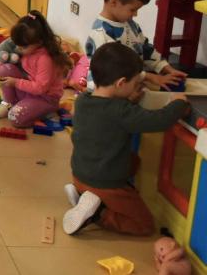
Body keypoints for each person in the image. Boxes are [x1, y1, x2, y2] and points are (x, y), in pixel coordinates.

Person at [62, 42, 189, 236]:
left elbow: (106, 118)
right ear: (121, 83)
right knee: (145, 225)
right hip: (105, 183)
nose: (137, 87)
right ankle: (98, 213)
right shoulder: (122, 111)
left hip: (79, 173)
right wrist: (178, 103)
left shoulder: (82, 101)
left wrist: (129, 100)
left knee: (134, 160)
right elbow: (158, 121)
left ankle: (82, 196)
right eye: (135, 83)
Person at [85, 0, 187, 91]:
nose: (135, 14)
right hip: (108, 95)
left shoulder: (130, 24)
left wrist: (166, 68)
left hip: (132, 83)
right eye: (133, 9)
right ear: (114, 2)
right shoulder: (101, 34)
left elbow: (145, 49)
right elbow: (114, 71)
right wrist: (150, 77)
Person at [0, 11, 71, 127]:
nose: (18, 49)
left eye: (23, 47)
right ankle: (9, 103)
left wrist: (15, 82)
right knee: (5, 68)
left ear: (39, 42)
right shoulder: (26, 46)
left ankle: (47, 111)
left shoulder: (45, 59)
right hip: (29, 90)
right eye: (17, 45)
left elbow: (41, 88)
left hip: (45, 98)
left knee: (15, 117)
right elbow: (10, 56)